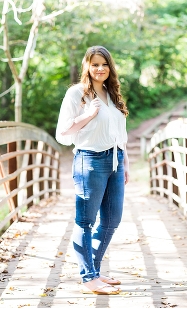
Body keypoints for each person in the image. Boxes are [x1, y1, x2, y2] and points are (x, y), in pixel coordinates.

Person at [56, 45, 129, 295]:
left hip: (115, 162)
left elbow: (120, 134)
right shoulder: (77, 94)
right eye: (95, 64)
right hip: (90, 161)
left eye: (104, 64)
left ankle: (95, 271)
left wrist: (125, 163)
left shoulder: (113, 93)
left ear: (110, 67)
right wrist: (87, 114)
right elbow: (63, 133)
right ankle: (88, 277)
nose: (100, 69)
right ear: (87, 66)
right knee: (86, 221)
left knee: (112, 220)